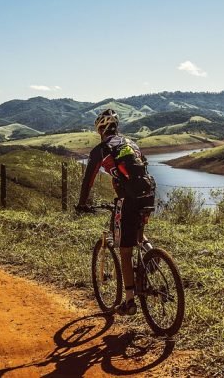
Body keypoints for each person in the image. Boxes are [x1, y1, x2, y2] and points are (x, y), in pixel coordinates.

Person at [76, 109, 156, 316]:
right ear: (116, 128)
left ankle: (129, 302)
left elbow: (88, 181)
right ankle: (152, 254)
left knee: (125, 250)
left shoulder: (101, 150)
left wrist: (82, 204)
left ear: (100, 130)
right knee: (138, 234)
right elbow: (143, 168)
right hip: (148, 193)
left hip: (128, 200)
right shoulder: (131, 143)